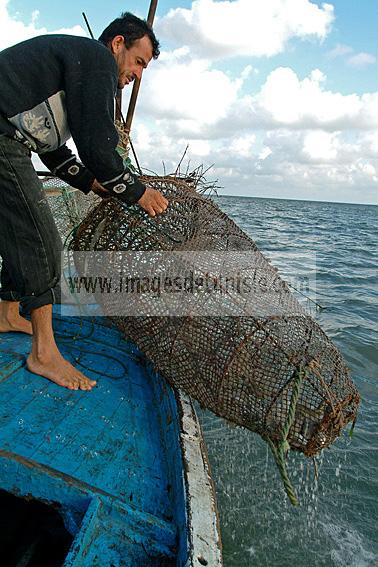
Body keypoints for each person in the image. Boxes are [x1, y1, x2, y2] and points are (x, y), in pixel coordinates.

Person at [0, 12, 168, 391]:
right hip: (2, 139)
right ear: (117, 44)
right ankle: (44, 353)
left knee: (15, 230)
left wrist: (92, 182)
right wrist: (137, 191)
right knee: (40, 240)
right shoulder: (96, 61)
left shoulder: (74, 67)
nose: (137, 75)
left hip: (10, 136)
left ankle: (7, 312)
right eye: (138, 62)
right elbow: (95, 143)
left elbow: (50, 148)